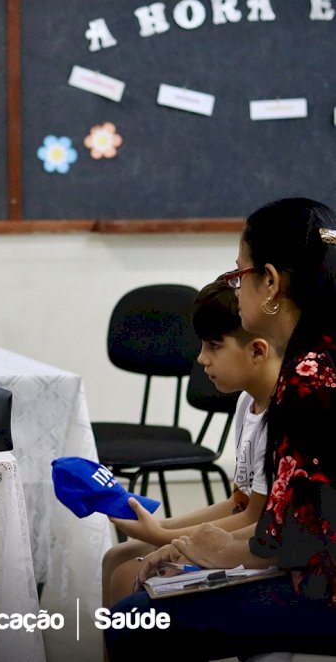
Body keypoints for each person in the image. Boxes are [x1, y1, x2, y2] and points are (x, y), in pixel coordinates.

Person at [104, 198, 336, 660]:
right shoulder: (310, 358)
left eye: (238, 275)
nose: (236, 287)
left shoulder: (311, 377)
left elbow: (302, 540)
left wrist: (209, 549)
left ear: (270, 282)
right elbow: (284, 517)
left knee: (134, 620)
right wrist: (194, 543)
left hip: (322, 591)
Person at [101, 279, 282, 607]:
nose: (201, 359)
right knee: (116, 556)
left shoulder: (279, 416)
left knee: (127, 575)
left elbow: (254, 521)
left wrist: (161, 536)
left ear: (257, 350)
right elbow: (237, 504)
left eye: (213, 346)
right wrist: (162, 525)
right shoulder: (247, 403)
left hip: (265, 553)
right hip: (244, 538)